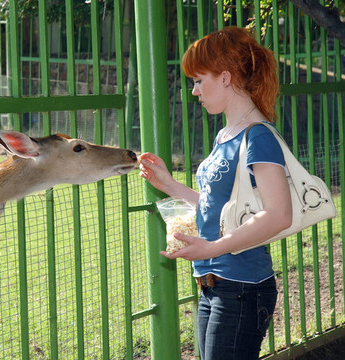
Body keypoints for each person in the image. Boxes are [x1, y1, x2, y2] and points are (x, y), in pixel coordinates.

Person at [139, 26, 293, 359]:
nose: (194, 90)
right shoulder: (225, 134)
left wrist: (213, 247)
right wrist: (168, 184)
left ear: (225, 78)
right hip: (215, 285)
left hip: (243, 289)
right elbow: (219, 207)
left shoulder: (258, 136)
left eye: (198, 80)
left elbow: (279, 214)